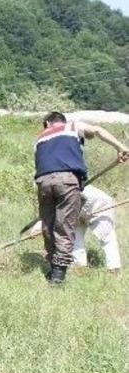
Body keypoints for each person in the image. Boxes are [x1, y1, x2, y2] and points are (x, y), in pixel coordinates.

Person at [33, 111, 128, 284]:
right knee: (65, 226)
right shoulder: (72, 125)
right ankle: (58, 275)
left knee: (49, 226)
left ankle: (55, 270)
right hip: (68, 181)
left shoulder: (40, 139)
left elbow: (41, 167)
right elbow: (98, 131)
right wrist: (121, 148)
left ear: (47, 124)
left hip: (43, 182)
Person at [28, 185, 121, 273]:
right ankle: (80, 267)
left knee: (106, 236)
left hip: (98, 203)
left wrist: (41, 226)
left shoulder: (60, 184)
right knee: (75, 237)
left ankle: (114, 269)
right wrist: (38, 226)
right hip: (77, 207)